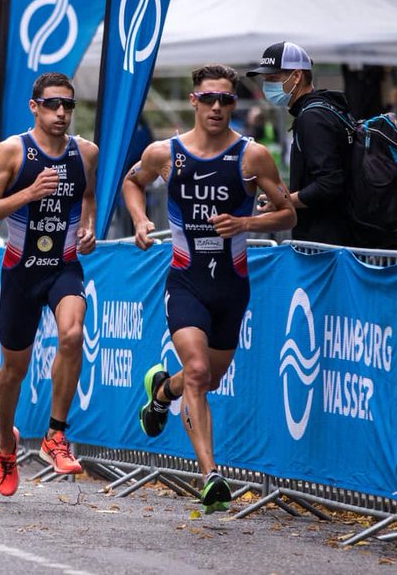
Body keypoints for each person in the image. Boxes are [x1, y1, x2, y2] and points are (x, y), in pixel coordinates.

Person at [122, 64, 295, 512]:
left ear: (235, 104)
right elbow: (132, 182)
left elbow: (287, 214)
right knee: (199, 371)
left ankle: (163, 391)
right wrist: (141, 220)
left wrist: (246, 222)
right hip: (186, 282)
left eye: (226, 99)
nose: (217, 107)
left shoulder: (252, 157)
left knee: (207, 379)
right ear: (194, 102)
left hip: (232, 288)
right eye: (208, 98)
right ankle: (210, 476)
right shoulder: (166, 153)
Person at [0, 72, 98, 497]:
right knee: (13, 372)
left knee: (73, 332)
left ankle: (56, 435)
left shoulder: (86, 153)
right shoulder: (13, 151)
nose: (60, 113)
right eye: (51, 105)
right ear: (34, 107)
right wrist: (27, 195)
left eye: (67, 105)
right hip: (21, 269)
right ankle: (7, 446)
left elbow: (88, 197)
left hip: (63, 266)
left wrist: (90, 226)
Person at [244, 40, 353, 245]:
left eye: (274, 78)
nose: (268, 85)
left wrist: (283, 201)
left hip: (325, 243)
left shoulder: (313, 117)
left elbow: (329, 184)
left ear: (296, 76)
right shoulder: (326, 109)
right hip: (334, 238)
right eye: (266, 79)